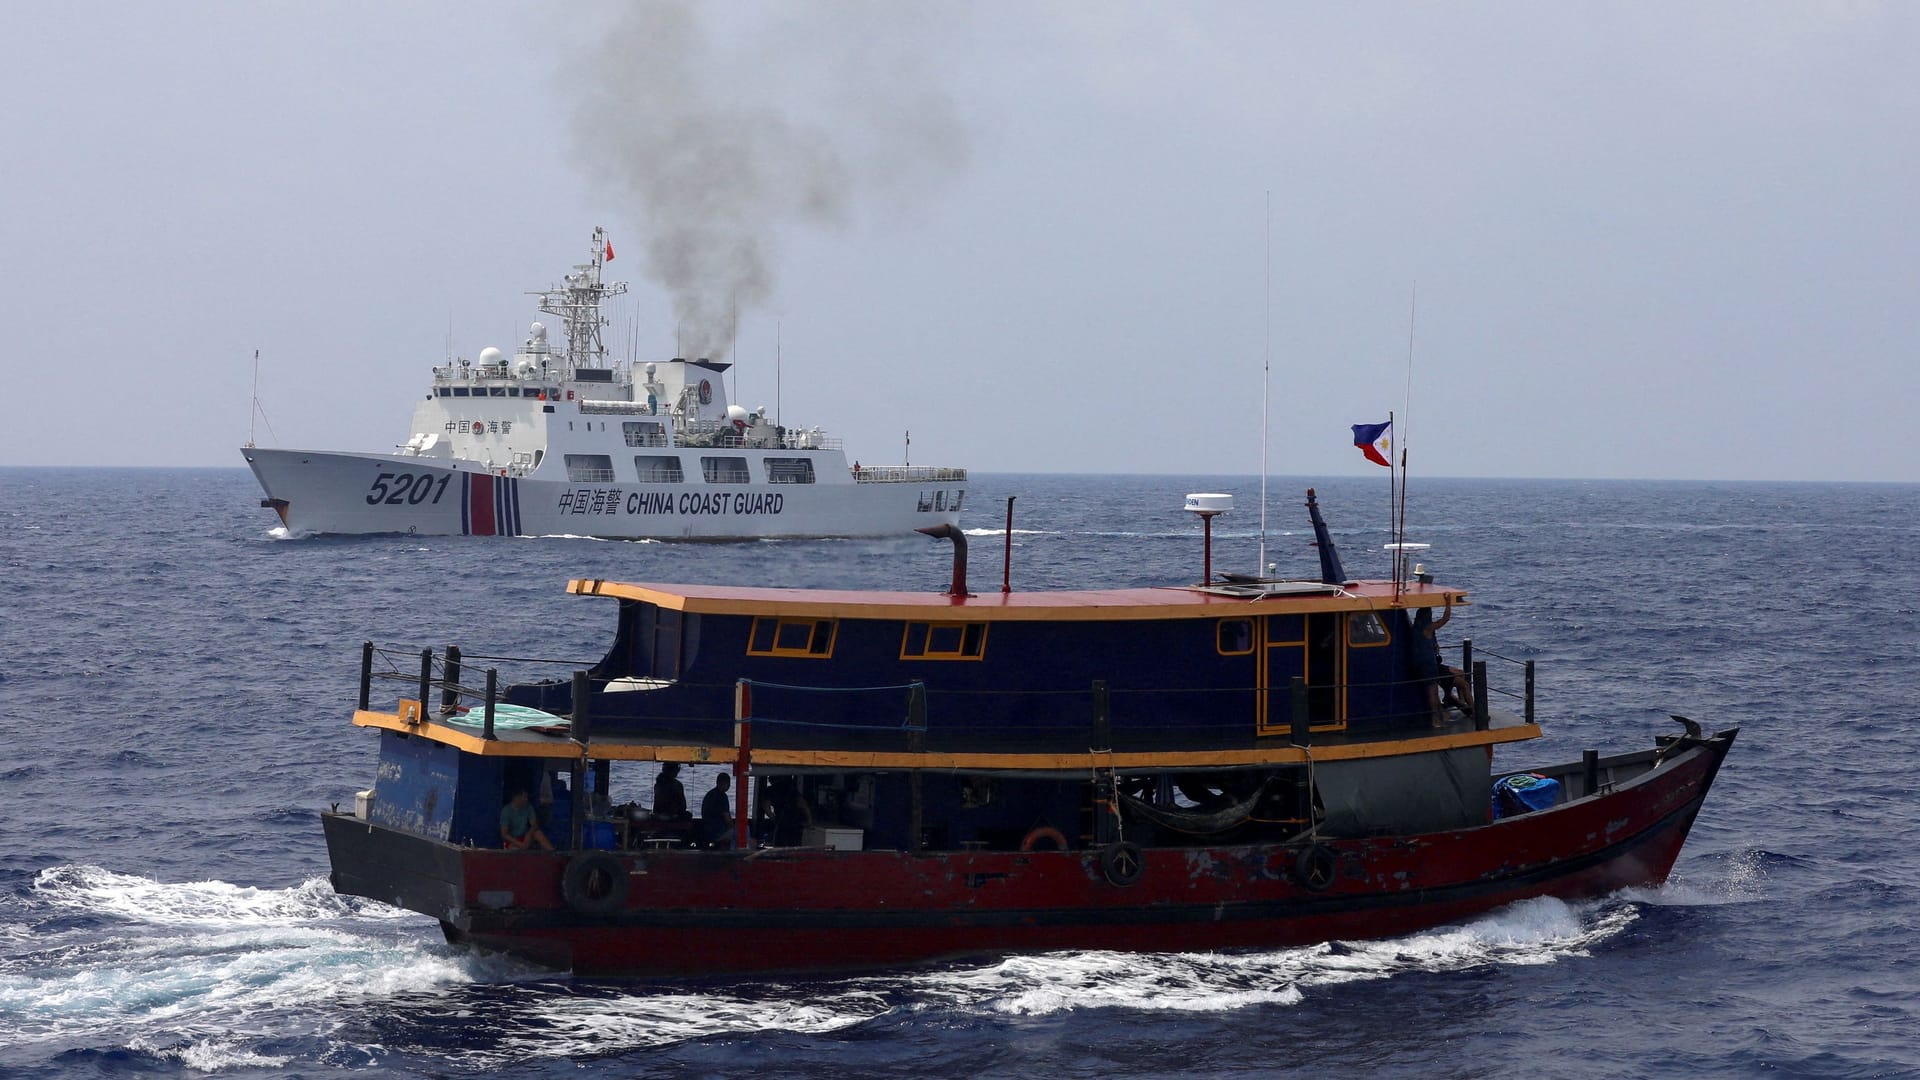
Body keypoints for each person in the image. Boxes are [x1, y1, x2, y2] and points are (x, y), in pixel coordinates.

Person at [697, 772, 733, 850]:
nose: (729, 786)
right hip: (717, 832)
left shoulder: (710, 794)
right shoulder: (722, 797)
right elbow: (727, 819)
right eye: (728, 784)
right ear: (724, 783)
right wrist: (733, 827)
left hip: (706, 830)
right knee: (740, 832)